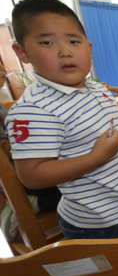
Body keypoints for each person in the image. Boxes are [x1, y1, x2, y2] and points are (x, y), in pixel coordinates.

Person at [6, 0, 118, 240]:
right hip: (97, 221)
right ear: (22, 52)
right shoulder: (34, 110)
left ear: (89, 48)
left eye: (74, 41)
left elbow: (114, 123)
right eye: (46, 42)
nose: (65, 51)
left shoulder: (96, 88)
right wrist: (95, 157)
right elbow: (31, 175)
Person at [0, 59, 62, 241]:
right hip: (24, 176)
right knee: (84, 181)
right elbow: (9, 150)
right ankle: (31, 203)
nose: (3, 69)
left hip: (23, 172)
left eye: (1, 64)